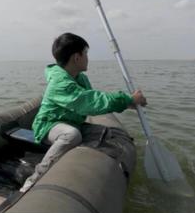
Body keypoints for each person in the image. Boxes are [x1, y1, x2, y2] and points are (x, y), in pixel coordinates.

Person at [19, 32, 147, 193]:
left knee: (105, 133)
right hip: (48, 125)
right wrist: (127, 99)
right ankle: (34, 180)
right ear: (76, 57)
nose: (88, 58)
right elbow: (89, 102)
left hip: (69, 121)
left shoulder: (80, 78)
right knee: (72, 135)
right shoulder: (60, 83)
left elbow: (93, 100)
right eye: (86, 53)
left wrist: (128, 104)